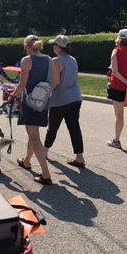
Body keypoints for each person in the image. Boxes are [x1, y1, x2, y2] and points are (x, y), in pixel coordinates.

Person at [8, 35, 54, 184]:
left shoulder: (27, 60)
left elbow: (22, 83)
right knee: (33, 134)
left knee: (34, 137)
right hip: (43, 102)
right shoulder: (49, 60)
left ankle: (45, 174)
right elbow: (53, 82)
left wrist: (12, 95)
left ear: (26, 46)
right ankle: (27, 161)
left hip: (30, 103)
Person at [42, 34, 85, 168]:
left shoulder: (56, 60)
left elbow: (55, 82)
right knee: (74, 127)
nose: (53, 47)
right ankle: (79, 157)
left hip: (61, 98)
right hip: (75, 96)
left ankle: (44, 152)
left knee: (53, 127)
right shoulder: (73, 59)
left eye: (54, 44)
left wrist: (44, 93)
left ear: (59, 47)